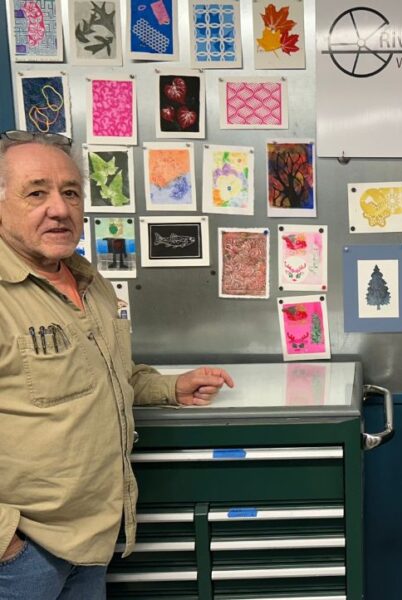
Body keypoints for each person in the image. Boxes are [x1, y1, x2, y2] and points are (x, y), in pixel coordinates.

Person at [0, 131, 235, 599]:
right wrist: (8, 543)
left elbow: (108, 374)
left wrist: (170, 388)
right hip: (24, 557)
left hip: (90, 542)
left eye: (70, 192)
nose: (60, 208)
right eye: (36, 192)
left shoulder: (90, 282)